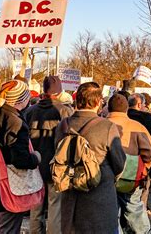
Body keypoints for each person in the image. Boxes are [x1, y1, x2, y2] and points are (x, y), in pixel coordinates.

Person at [56, 82, 126, 233]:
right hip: (100, 201)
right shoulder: (107, 127)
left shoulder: (62, 126)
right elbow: (119, 163)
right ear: (98, 101)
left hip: (70, 201)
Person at [0, 80, 41, 233]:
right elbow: (20, 160)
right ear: (22, 99)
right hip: (11, 186)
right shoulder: (14, 120)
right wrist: (35, 158)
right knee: (8, 229)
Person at [25, 76, 74, 234]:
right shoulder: (65, 111)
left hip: (35, 165)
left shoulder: (30, 111)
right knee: (55, 207)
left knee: (35, 206)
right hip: (57, 165)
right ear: (59, 93)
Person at [106, 93, 151, 234]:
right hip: (132, 176)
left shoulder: (100, 124)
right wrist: (144, 168)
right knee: (134, 207)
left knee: (111, 210)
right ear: (126, 108)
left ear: (108, 108)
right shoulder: (137, 126)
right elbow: (150, 152)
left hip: (106, 175)